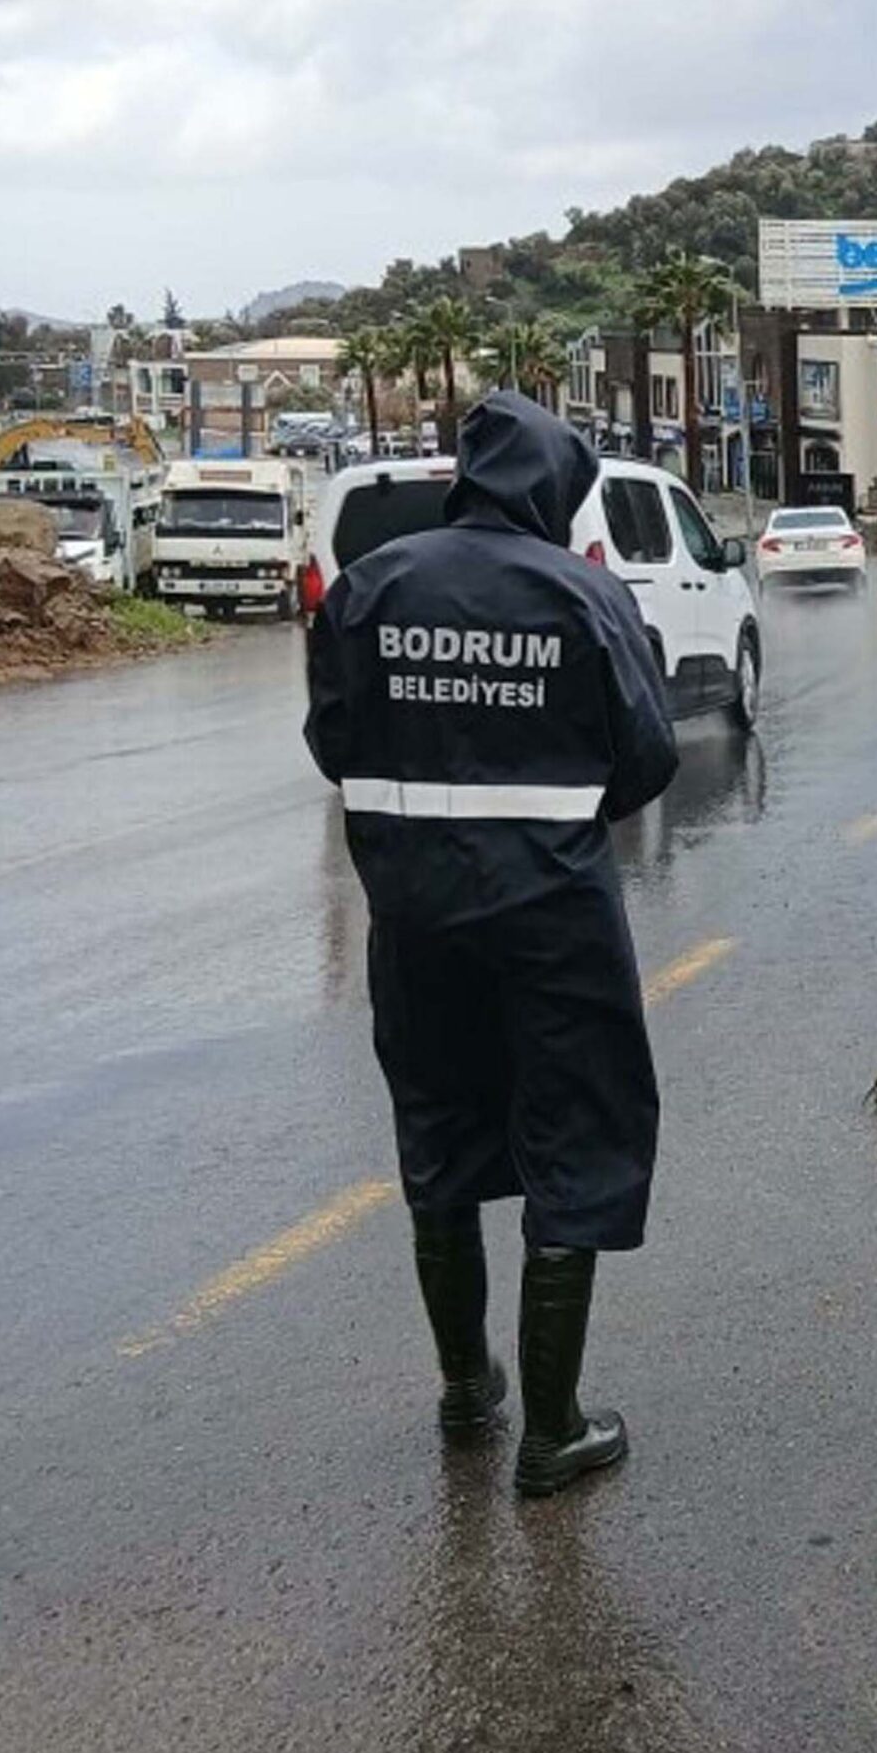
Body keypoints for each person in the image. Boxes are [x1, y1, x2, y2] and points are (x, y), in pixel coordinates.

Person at [304, 391, 679, 1498]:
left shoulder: (371, 585)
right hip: (552, 916)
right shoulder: (582, 592)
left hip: (414, 914)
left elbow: (333, 740)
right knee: (577, 1133)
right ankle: (551, 1430)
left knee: (438, 1129)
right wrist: (544, 810)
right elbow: (647, 756)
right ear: (555, 485)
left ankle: (468, 1390)